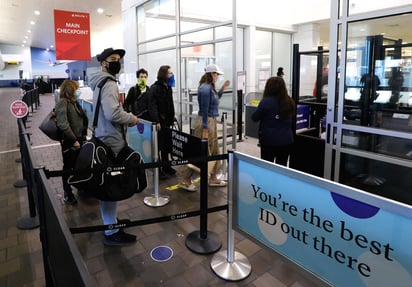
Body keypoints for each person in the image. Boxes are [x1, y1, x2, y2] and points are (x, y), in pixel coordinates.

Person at [89, 47, 139, 246]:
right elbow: (113, 114)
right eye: (112, 59)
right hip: (111, 140)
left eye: (118, 59)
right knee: (111, 186)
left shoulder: (98, 82)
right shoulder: (108, 83)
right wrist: (132, 118)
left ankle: (112, 222)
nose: (116, 62)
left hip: (102, 135)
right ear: (103, 63)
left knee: (108, 184)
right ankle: (111, 232)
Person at [179, 64, 230, 190]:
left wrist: (223, 88)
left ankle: (213, 177)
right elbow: (205, 109)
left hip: (209, 121)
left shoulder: (209, 87)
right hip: (205, 122)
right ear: (211, 74)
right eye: (216, 74)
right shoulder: (205, 89)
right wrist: (206, 128)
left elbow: (215, 100)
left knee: (213, 150)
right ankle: (186, 179)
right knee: (200, 151)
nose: (218, 76)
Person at [55, 80, 88, 205]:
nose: (78, 91)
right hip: (71, 141)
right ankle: (67, 193)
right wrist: (73, 140)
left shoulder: (73, 102)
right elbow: (63, 124)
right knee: (68, 168)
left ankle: (80, 187)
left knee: (78, 165)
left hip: (79, 138)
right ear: (70, 90)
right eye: (76, 88)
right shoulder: (62, 103)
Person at [251, 76, 295, 166]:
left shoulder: (266, 102)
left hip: (269, 141)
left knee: (267, 168)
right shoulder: (289, 101)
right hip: (286, 141)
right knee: (281, 168)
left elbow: (254, 118)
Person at [147, 65, 177, 179]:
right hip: (159, 123)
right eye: (170, 73)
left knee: (166, 146)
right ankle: (158, 170)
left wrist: (172, 116)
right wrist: (156, 121)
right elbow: (152, 106)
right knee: (158, 147)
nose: (172, 75)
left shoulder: (168, 87)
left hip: (167, 122)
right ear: (163, 74)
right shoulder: (155, 88)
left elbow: (170, 104)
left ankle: (166, 166)